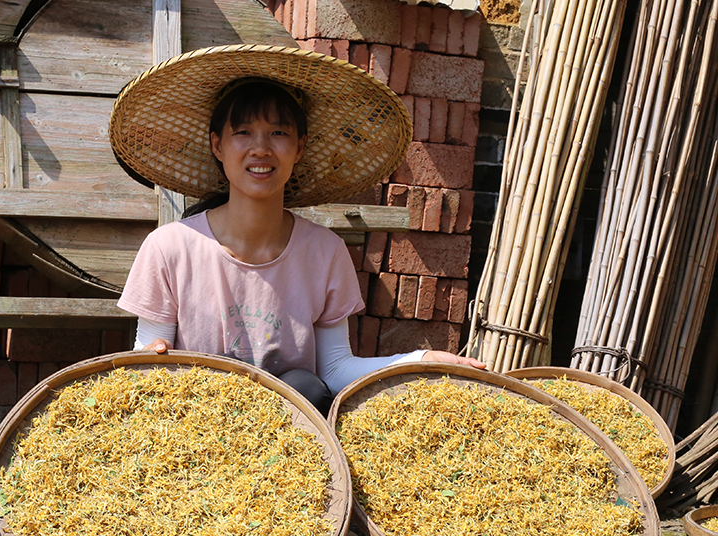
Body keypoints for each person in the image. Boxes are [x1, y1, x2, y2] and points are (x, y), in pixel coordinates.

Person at [110, 44, 485, 415]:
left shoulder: (324, 252)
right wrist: (151, 356)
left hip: (291, 440)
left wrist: (423, 359)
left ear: (300, 147)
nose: (260, 149)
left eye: (278, 133)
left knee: (308, 386)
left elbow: (336, 370)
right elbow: (148, 354)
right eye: (243, 132)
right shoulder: (170, 247)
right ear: (217, 145)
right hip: (195, 425)